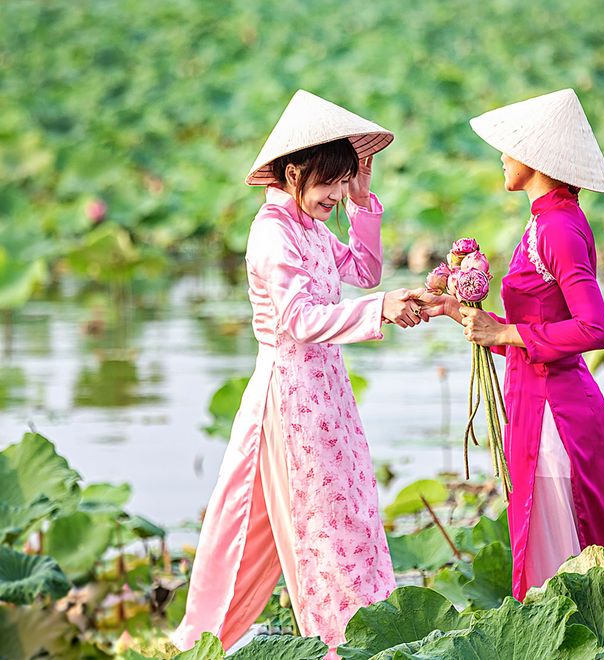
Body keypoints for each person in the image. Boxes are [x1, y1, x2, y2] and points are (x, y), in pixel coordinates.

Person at [172, 90, 419, 656]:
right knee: (321, 524)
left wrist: (361, 201)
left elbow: (363, 268)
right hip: (289, 397)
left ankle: (366, 631)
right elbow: (299, 320)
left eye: (341, 179)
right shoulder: (272, 232)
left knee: (353, 507)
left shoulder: (308, 225)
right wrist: (380, 307)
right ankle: (337, 643)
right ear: (292, 171)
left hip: (327, 392)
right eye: (328, 182)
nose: (334, 193)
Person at [417, 88, 604, 600]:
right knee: (548, 576)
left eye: (510, 146)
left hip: (557, 422)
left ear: (536, 158)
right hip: (534, 406)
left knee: (566, 578)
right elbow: (536, 329)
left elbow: (593, 329)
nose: (502, 156)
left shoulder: (558, 227)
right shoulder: (543, 218)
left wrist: (505, 331)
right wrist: (461, 312)